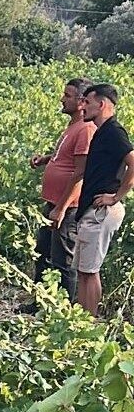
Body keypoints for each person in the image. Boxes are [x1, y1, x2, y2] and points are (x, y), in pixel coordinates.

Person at [26, 78, 94, 305]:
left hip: (67, 207)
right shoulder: (73, 127)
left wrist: (62, 208)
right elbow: (66, 160)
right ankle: (39, 303)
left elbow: (80, 173)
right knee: (42, 254)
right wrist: (47, 159)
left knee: (63, 261)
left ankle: (62, 310)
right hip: (54, 204)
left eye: (68, 95)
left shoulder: (85, 129)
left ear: (82, 102)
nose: (62, 99)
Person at [74, 84, 134, 316]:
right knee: (82, 270)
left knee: (90, 270)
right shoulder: (101, 131)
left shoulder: (114, 132)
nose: (84, 107)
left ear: (101, 104)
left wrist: (116, 196)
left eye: (87, 102)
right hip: (91, 209)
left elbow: (132, 161)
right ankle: (78, 321)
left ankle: (90, 324)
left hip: (101, 211)